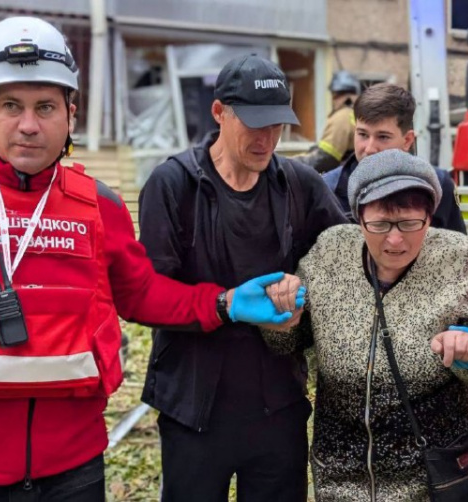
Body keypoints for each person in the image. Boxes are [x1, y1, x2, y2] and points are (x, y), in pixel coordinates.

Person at [0, 17, 303, 502]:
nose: (29, 124)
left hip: (74, 474)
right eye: (12, 105)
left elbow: (142, 294)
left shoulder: (99, 206)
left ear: (70, 113)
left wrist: (224, 302)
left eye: (46, 107)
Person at [138, 54, 347, 502]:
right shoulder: (172, 185)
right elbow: (151, 295)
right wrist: (225, 302)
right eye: (254, 123)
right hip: (195, 408)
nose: (267, 138)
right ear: (219, 112)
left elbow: (345, 262)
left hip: (278, 404)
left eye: (277, 125)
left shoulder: (300, 185)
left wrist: (303, 298)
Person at [262, 149, 468, 501]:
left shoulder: (457, 258)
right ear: (358, 215)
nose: (395, 240)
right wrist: (282, 321)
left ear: (429, 216)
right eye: (379, 225)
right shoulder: (330, 253)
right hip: (341, 476)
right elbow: (289, 342)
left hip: (435, 477)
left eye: (410, 223)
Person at [323, 83, 466, 233]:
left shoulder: (440, 185)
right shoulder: (327, 189)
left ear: (407, 141)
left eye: (383, 137)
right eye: (363, 134)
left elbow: (460, 253)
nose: (370, 148)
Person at [295, 70, 360, 173]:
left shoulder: (343, 116)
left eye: (334, 96)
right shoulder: (356, 114)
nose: (333, 100)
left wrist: (290, 163)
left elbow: (326, 158)